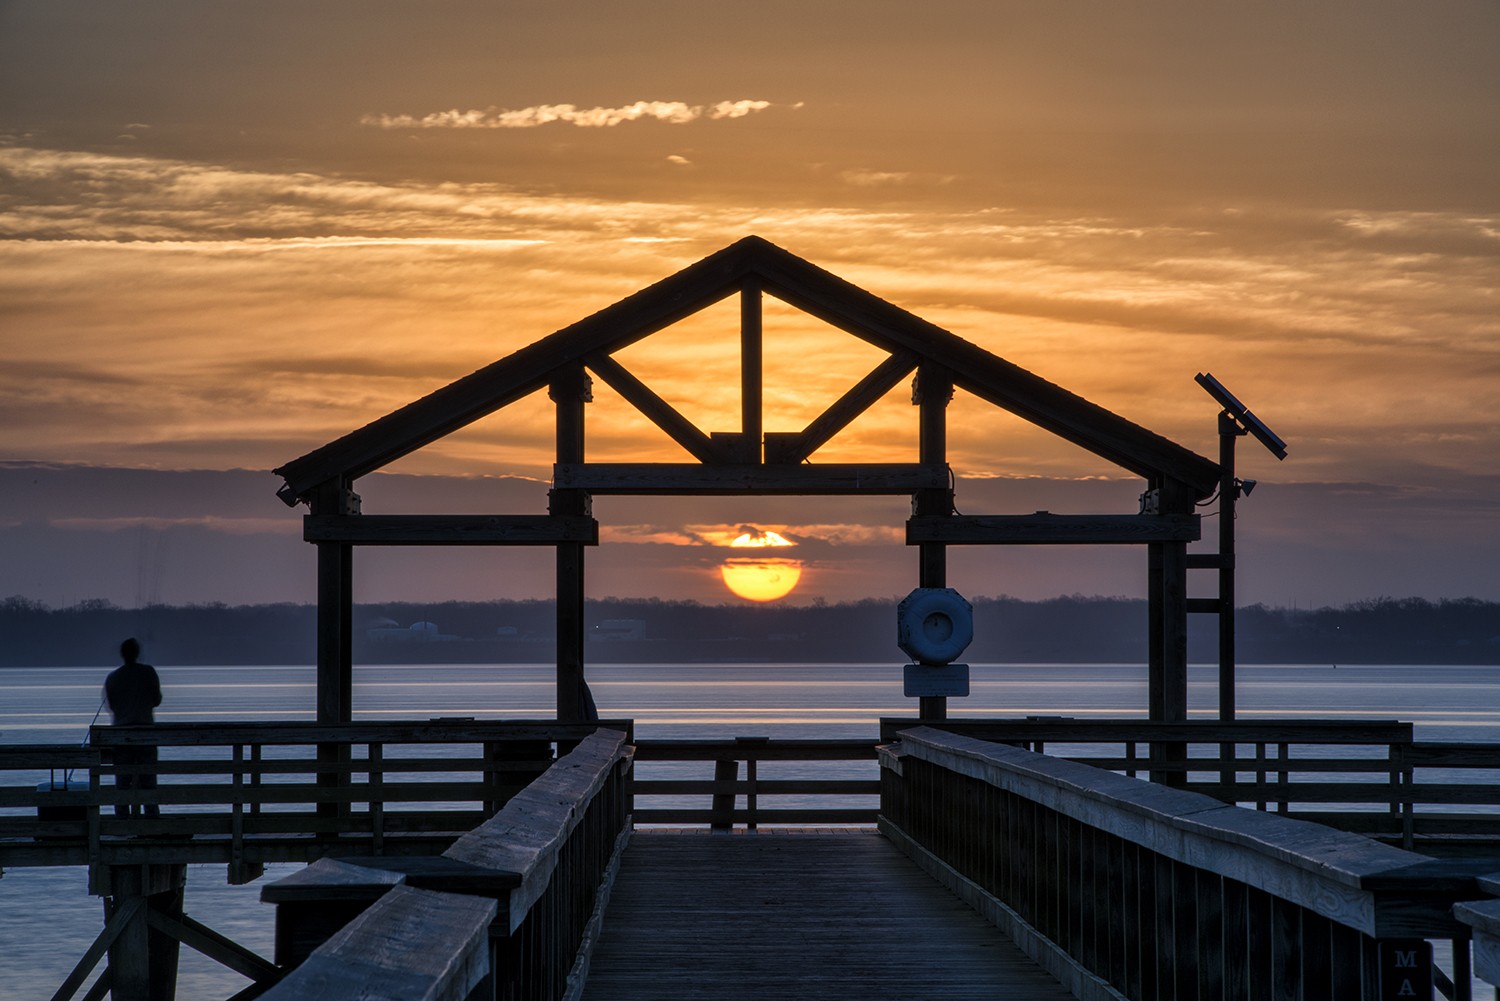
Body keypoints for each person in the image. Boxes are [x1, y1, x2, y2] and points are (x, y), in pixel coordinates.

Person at [103, 638, 161, 817]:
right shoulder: (149, 672)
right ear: (138, 653)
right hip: (145, 733)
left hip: (121, 735)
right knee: (148, 779)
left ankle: (122, 819)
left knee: (122, 780)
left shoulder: (113, 677)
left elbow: (111, 705)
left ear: (122, 654)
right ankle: (151, 817)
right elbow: (157, 700)